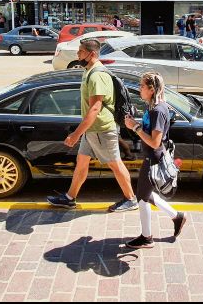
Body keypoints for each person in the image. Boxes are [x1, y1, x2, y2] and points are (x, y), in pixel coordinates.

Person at [47, 39, 138, 213]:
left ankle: (131, 199)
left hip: (101, 129)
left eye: (81, 52)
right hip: (92, 130)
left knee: (115, 164)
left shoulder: (97, 75)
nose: (78, 54)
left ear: (92, 54)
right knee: (82, 162)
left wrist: (75, 134)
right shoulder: (89, 71)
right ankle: (69, 198)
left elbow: (95, 108)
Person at [123, 72, 187, 249]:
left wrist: (135, 127)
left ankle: (146, 237)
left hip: (153, 158)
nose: (139, 89)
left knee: (142, 197)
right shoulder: (152, 106)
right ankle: (177, 216)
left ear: (151, 89)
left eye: (142, 86)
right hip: (150, 157)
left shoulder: (158, 111)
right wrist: (134, 122)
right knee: (145, 194)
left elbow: (155, 142)